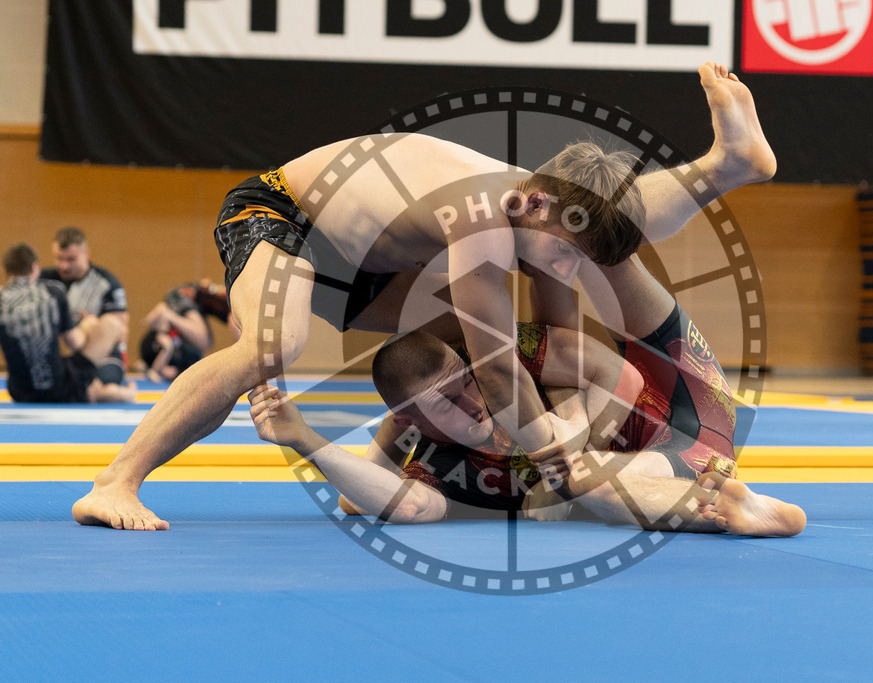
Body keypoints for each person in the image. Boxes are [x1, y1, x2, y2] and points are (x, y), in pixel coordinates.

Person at [73, 61, 776, 531]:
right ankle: (116, 479)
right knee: (270, 346)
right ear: (529, 200)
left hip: (374, 264)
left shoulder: (538, 219)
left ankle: (724, 166)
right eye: (559, 249)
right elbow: (499, 367)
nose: (564, 265)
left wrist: (564, 423)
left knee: (585, 244)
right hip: (285, 218)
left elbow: (551, 337)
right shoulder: (478, 219)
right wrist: (552, 455)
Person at [246, 324, 805, 536]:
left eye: (465, 380)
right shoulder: (433, 460)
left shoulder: (511, 359)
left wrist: (573, 432)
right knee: (592, 493)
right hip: (639, 485)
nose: (474, 399)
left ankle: (725, 499)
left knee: (582, 481)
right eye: (447, 402)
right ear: (410, 420)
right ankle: (729, 508)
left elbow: (620, 373)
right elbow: (385, 503)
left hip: (674, 440)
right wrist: (306, 440)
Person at [0, 244, 136, 404]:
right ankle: (119, 393)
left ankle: (95, 388)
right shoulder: (53, 292)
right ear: (35, 268)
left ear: (6, 270)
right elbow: (75, 342)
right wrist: (89, 327)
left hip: (19, 390)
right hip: (59, 387)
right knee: (110, 324)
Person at [40, 226, 129, 384]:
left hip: (101, 358)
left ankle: (121, 393)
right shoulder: (44, 281)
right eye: (59, 258)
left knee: (97, 382)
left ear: (86, 254)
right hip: (61, 357)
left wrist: (95, 328)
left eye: (71, 259)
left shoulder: (107, 284)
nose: (64, 266)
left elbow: (121, 331)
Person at [139, 279, 238, 382]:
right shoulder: (235, 307)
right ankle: (167, 314)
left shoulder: (230, 303)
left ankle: (166, 315)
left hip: (185, 296)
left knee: (206, 342)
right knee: (205, 340)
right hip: (184, 295)